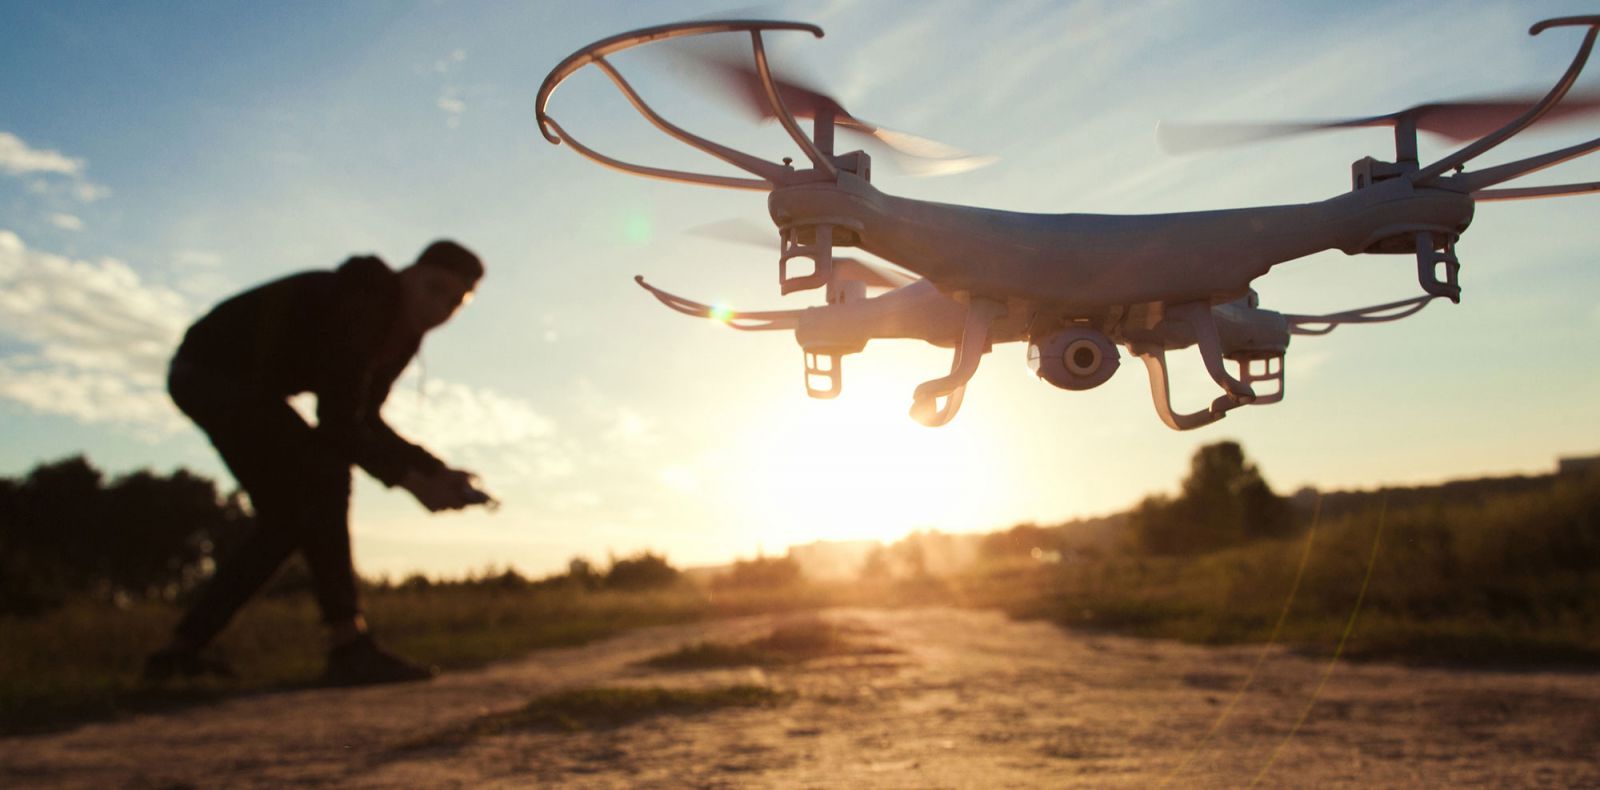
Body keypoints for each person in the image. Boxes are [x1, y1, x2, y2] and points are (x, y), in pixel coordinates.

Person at [145, 240, 486, 686]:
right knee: (325, 473)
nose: (439, 307)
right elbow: (338, 423)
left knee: (286, 521)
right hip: (211, 373)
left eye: (455, 302)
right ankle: (348, 644)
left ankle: (181, 651)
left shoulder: (401, 333)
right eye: (434, 288)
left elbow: (365, 418)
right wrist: (411, 481)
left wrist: (433, 469)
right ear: (409, 273)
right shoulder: (367, 302)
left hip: (243, 387)